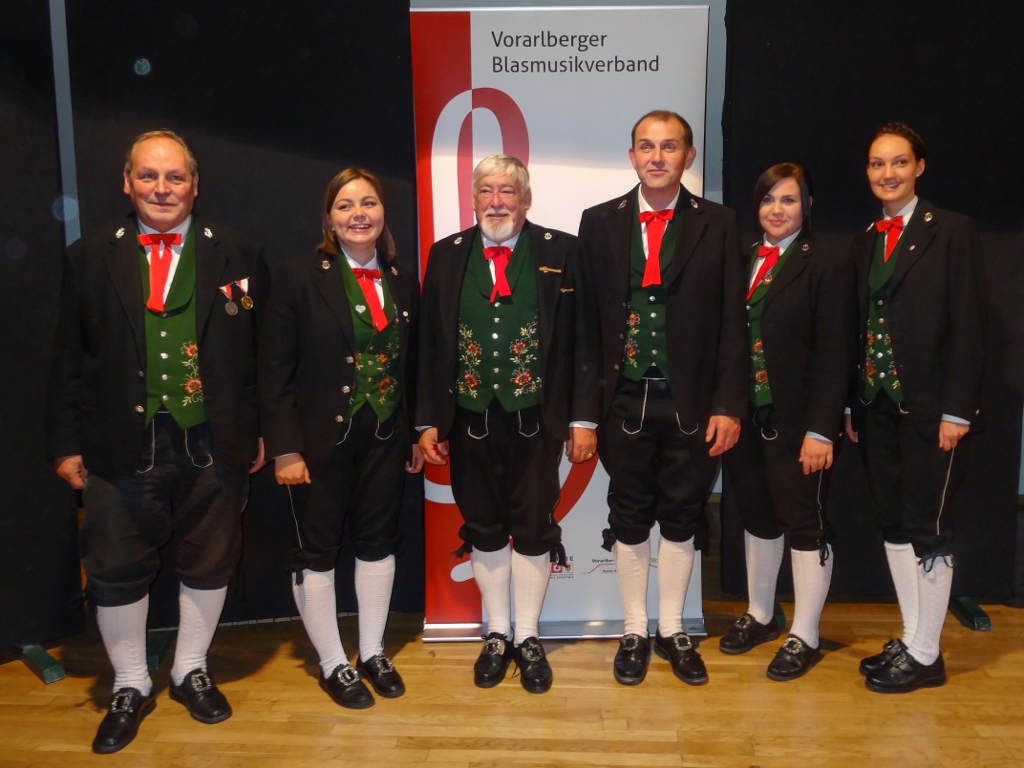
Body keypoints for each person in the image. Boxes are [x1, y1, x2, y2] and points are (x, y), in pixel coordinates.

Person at [46, 129, 267, 754]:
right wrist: (65, 443)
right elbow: (67, 357)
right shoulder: (90, 255)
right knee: (115, 567)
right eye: (149, 176)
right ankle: (131, 681)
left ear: (195, 184)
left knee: (211, 557)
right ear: (127, 182)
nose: (162, 189)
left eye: (175, 177)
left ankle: (190, 668)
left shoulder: (239, 251)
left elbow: (262, 356)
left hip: (215, 438)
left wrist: (264, 432)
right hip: (120, 439)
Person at [417, 154, 598, 694]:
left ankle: (528, 635)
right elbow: (429, 345)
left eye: (508, 191)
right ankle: (497, 632)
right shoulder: (446, 254)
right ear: (473, 198)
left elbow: (584, 340)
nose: (496, 201)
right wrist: (427, 421)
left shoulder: (562, 251)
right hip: (468, 417)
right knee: (484, 524)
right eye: (486, 191)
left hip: (537, 417)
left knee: (534, 524)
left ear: (526, 198)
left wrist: (583, 418)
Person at [578, 110, 747, 687]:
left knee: (682, 514)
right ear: (632, 156)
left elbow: (732, 321)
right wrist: (584, 413)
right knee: (628, 513)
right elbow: (586, 325)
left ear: (688, 157)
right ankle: (633, 627)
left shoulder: (719, 223)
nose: (657, 157)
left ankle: (673, 627)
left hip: (693, 399)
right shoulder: (599, 221)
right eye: (646, 147)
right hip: (623, 396)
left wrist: (728, 404)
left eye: (669, 146)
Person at [259, 168, 421, 709]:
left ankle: (372, 651)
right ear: (329, 218)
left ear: (382, 213)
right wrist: (284, 447)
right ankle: (333, 662)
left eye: (368, 203)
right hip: (317, 442)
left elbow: (413, 364)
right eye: (346, 205)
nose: (358, 214)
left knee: (378, 542)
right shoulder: (299, 276)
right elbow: (275, 369)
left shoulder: (401, 277)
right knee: (317, 550)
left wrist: (415, 433)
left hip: (386, 434)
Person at [846, 122, 985, 693]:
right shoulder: (865, 239)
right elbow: (858, 326)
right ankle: (914, 638)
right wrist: (852, 405)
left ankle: (927, 654)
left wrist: (958, 410)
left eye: (899, 162)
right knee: (895, 522)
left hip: (932, 409)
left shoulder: (951, 230)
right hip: (876, 404)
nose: (888, 173)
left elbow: (970, 325)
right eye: (878, 164)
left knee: (931, 527)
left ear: (919, 167)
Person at [719, 163, 855, 680]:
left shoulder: (828, 261)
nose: (776, 210)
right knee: (756, 516)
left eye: (789, 200)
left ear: (808, 206)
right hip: (745, 416)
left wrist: (821, 429)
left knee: (804, 523)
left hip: (800, 422)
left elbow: (835, 352)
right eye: (767, 200)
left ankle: (806, 633)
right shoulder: (741, 258)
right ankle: (760, 614)